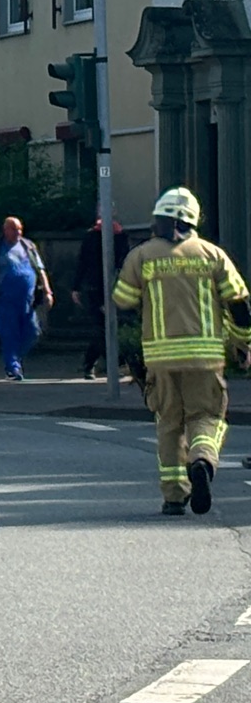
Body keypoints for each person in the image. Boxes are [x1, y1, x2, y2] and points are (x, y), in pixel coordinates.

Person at [111, 187, 251, 516]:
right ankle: (202, 460)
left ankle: (174, 497)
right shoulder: (212, 255)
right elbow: (240, 305)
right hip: (205, 358)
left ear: (158, 219)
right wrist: (243, 343)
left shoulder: (141, 256)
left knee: (169, 424)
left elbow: (122, 301)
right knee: (207, 417)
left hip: (160, 359)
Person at [0, 216, 51, 381]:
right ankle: (13, 368)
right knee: (8, 334)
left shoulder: (28, 246)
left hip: (27, 300)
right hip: (5, 299)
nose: (18, 232)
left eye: (20, 229)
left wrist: (47, 291)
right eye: (15, 229)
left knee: (33, 332)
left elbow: (40, 269)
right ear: (5, 230)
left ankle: (16, 357)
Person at [71, 217, 131, 380]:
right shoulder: (92, 237)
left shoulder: (119, 236)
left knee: (105, 328)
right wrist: (76, 287)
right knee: (102, 328)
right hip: (96, 288)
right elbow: (83, 262)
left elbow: (124, 261)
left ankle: (95, 364)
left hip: (112, 287)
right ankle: (105, 364)